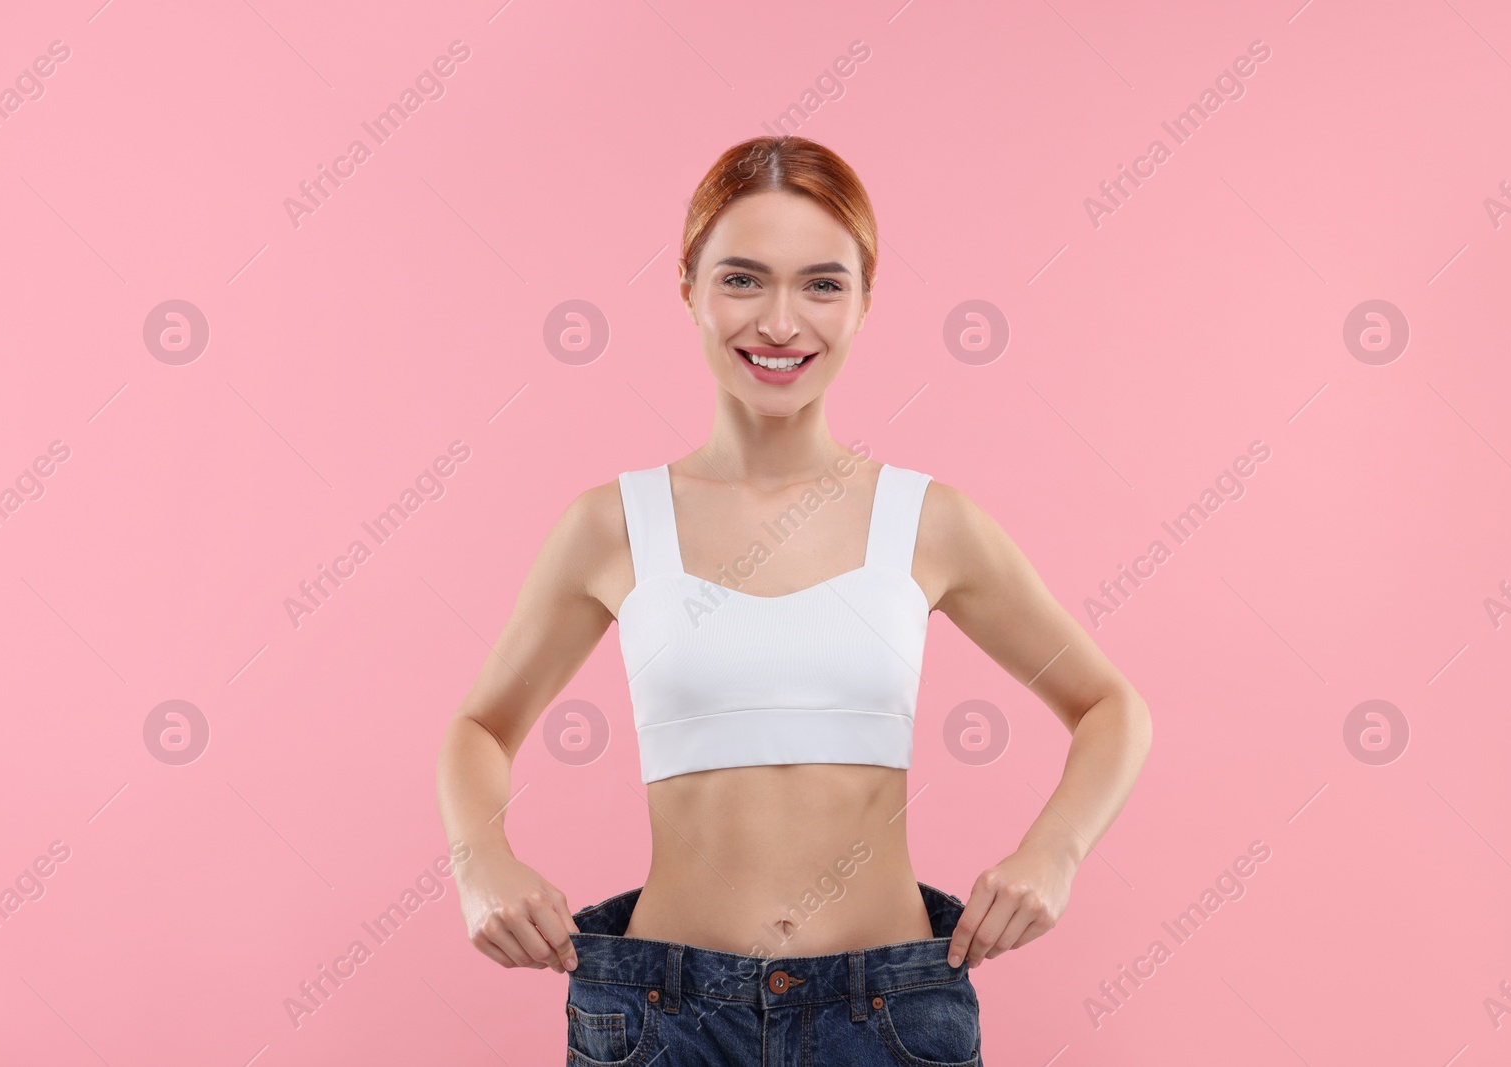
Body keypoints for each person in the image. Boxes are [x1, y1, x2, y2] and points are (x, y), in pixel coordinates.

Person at [435, 134, 1152, 1065]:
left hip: (888, 1018)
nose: (780, 321)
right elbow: (479, 727)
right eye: (743, 279)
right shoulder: (613, 524)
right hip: (665, 1021)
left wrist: (1053, 850)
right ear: (687, 285)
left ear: (863, 302)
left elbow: (1110, 707)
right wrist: (479, 859)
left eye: (821, 284)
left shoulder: (928, 520)